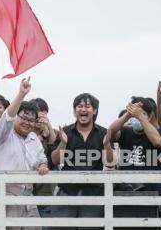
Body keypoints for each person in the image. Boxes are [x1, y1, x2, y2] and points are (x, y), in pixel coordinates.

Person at [0, 77, 49, 230]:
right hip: (6, 193)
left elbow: (41, 159)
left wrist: (43, 165)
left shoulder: (34, 138)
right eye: (23, 117)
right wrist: (21, 94)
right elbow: (8, 116)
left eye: (31, 120)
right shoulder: (4, 133)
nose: (27, 122)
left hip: (28, 195)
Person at [50, 93, 107, 229]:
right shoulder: (65, 132)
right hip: (67, 191)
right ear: (74, 110)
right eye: (79, 106)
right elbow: (55, 160)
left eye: (87, 106)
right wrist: (63, 143)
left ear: (95, 111)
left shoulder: (103, 133)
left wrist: (108, 145)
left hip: (94, 193)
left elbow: (110, 162)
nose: (83, 109)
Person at [106, 97, 161, 190]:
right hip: (126, 186)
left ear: (150, 117)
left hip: (148, 188)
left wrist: (141, 117)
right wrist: (128, 114)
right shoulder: (125, 131)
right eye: (135, 115)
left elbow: (158, 142)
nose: (137, 117)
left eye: (143, 114)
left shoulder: (158, 133)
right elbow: (111, 132)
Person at [29, 97, 57, 220]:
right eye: (37, 111)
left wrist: (49, 127)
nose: (40, 116)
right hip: (26, 188)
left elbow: (55, 155)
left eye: (44, 112)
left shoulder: (52, 133)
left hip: (45, 190)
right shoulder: (24, 133)